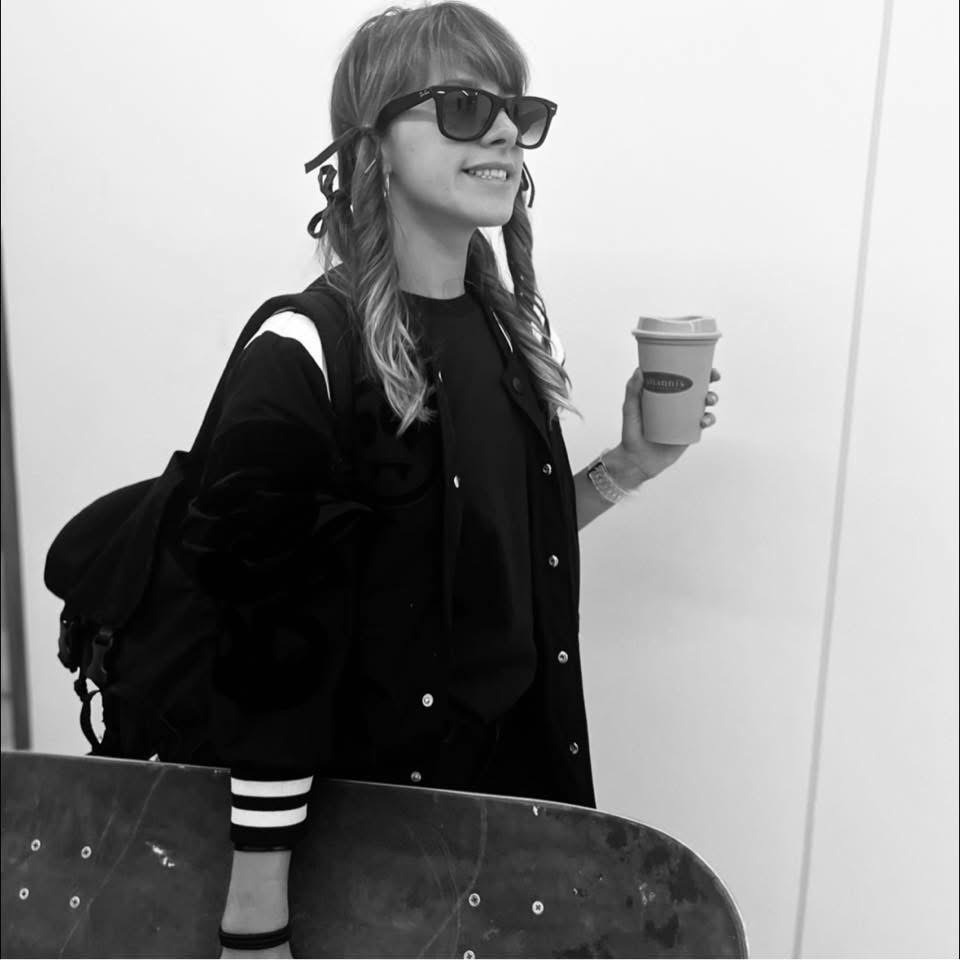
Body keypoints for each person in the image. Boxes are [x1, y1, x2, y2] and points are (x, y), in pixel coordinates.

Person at [176, 3, 720, 956]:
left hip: (507, 826)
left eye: (518, 110)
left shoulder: (509, 337)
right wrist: (256, 919)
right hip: (360, 863)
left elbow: (492, 552)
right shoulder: (303, 349)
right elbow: (266, 651)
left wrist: (630, 465)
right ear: (372, 146)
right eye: (465, 106)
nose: (505, 130)